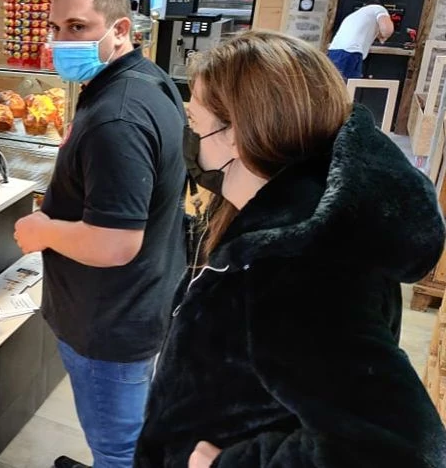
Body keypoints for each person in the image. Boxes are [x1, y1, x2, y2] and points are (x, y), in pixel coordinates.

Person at [134, 30, 446, 468]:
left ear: (235, 134)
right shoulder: (288, 215)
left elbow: (401, 448)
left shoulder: (295, 263)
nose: (188, 136)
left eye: (194, 124)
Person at [13, 0, 187, 468]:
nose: (61, 40)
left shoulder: (118, 118)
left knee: (117, 449)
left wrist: (41, 229)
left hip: (112, 319)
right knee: (131, 432)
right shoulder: (144, 79)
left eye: (79, 27)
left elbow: (115, 243)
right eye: (56, 28)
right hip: (141, 298)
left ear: (120, 30)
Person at [327, 0, 395, 81]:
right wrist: (384, 36)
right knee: (347, 88)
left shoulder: (355, 15)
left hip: (334, 52)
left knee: (333, 85)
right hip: (350, 53)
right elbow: (387, 30)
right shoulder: (379, 8)